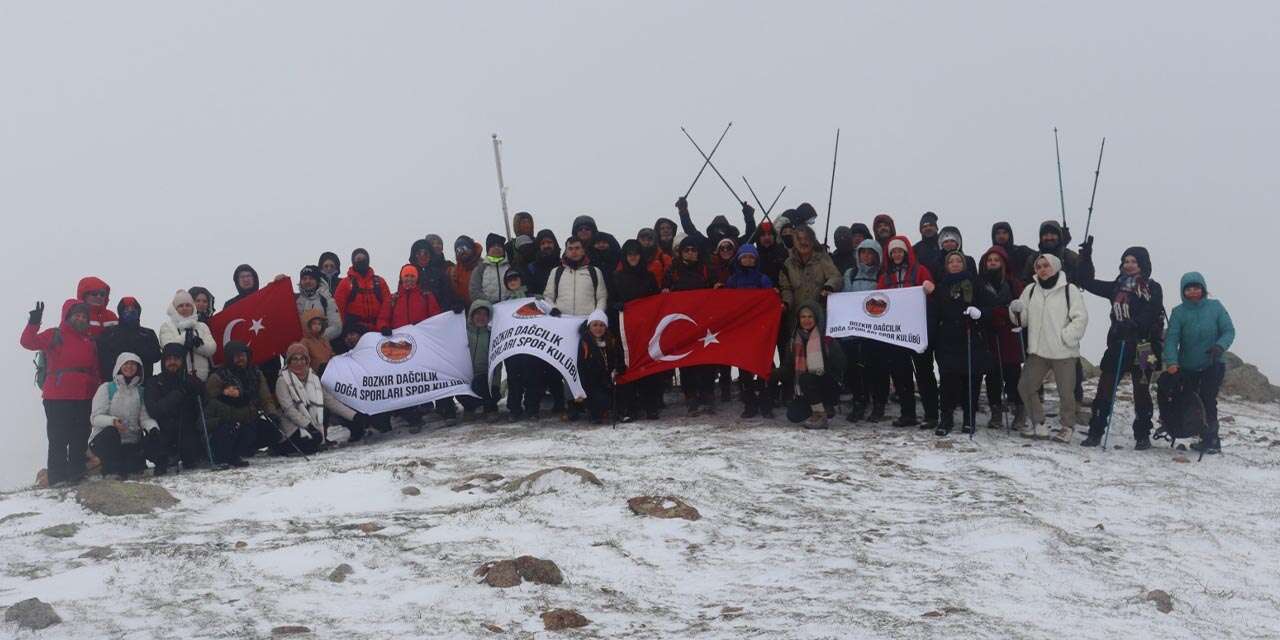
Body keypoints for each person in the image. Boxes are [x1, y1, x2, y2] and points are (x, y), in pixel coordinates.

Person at [1077, 246, 1165, 449]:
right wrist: (1086, 259)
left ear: (1143, 264)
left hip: (1145, 346)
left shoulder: (1153, 287)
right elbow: (1087, 282)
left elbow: (1153, 310)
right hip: (1118, 343)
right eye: (1126, 261)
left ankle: (1143, 435)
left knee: (1142, 391)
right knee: (1104, 389)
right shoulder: (1116, 287)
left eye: (1134, 261)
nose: (1129, 265)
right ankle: (1095, 432)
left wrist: (1135, 324)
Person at [1010, 254, 1089, 442]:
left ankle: (1067, 427)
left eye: (1046, 266)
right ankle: (1039, 424)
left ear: (1055, 267)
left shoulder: (1069, 290)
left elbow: (1081, 318)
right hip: (1038, 351)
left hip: (1063, 352)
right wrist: (1015, 311)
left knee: (1066, 392)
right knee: (1025, 386)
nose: (1042, 270)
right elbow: (1023, 319)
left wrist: (1066, 337)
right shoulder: (1030, 290)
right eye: (1038, 267)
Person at [22, 299, 99, 486]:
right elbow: (28, 342)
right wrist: (33, 323)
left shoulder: (89, 341)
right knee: (58, 438)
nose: (80, 319)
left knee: (80, 437)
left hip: (83, 395)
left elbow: (95, 370)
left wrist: (96, 390)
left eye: (83, 316)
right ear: (68, 316)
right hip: (57, 396)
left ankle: (76, 474)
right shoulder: (54, 335)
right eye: (77, 315)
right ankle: (57, 478)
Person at [1160, 272, 1234, 454]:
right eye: (1188, 289)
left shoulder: (1215, 307)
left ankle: (1212, 440)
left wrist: (1219, 346)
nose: (1193, 292)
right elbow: (1171, 339)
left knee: (1208, 398)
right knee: (1188, 399)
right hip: (1187, 366)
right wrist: (1171, 362)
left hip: (1213, 363)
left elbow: (1229, 331)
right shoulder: (1179, 312)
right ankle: (1192, 431)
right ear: (1183, 291)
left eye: (1196, 288)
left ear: (1203, 289)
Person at [877, 236, 938, 427]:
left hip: (918, 330)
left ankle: (931, 415)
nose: (896, 254)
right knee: (901, 374)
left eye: (899, 251)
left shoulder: (920, 271)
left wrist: (929, 288)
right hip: (896, 333)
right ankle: (908, 414)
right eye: (893, 252)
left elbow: (931, 289)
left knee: (924, 373)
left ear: (906, 252)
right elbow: (878, 299)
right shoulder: (885, 277)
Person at [931, 252, 994, 435]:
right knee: (947, 381)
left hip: (971, 338)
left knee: (971, 380)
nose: (955, 264)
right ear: (946, 266)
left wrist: (980, 313)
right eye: (951, 261)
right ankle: (946, 418)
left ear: (964, 264)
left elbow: (993, 307)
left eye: (959, 261)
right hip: (948, 339)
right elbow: (934, 312)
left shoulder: (976, 285)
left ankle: (969, 418)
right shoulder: (941, 287)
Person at [204, 341, 283, 467]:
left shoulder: (256, 373)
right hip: (228, 420)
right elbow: (211, 403)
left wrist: (272, 414)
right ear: (230, 358)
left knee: (273, 432)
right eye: (236, 356)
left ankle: (246, 448)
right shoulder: (218, 377)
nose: (240, 359)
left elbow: (266, 398)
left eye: (243, 355)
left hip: (251, 416)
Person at [665, 236, 718, 415]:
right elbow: (664, 290)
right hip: (683, 322)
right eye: (686, 250)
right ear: (680, 252)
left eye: (693, 250)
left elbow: (716, 288)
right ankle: (690, 395)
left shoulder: (706, 269)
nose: (690, 253)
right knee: (686, 359)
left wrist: (718, 288)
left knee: (707, 358)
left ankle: (707, 393)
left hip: (704, 322)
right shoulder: (673, 271)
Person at [611, 240, 663, 421]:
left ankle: (651, 405)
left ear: (641, 256)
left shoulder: (648, 277)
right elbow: (610, 300)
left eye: (636, 253)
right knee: (626, 366)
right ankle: (629, 407)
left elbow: (656, 301)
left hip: (645, 328)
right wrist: (616, 305)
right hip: (624, 330)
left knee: (647, 365)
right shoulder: (616, 277)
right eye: (629, 254)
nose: (633, 257)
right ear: (625, 256)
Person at [89, 352, 162, 479]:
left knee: (134, 467)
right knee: (111, 432)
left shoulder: (140, 391)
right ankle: (111, 471)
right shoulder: (106, 388)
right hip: (105, 441)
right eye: (126, 364)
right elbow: (95, 418)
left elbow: (144, 418)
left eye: (133, 364)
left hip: (130, 442)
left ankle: (128, 466)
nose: (130, 367)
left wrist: (153, 428)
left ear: (138, 368)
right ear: (119, 366)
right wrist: (113, 422)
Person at [976, 247, 1026, 430]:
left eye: (997, 260)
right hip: (990, 333)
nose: (993, 263)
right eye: (990, 260)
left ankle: (1020, 411)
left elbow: (1021, 306)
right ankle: (996, 411)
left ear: (1003, 262)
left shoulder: (1013, 283)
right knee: (992, 375)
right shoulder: (980, 283)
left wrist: (1004, 313)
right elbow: (977, 305)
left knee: (1013, 374)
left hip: (1009, 334)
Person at [725, 244, 777, 419]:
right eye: (744, 257)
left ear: (756, 259)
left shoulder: (763, 279)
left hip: (760, 328)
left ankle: (765, 401)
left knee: (764, 365)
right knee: (744, 367)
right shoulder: (732, 280)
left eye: (751, 257)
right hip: (742, 330)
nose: (748, 260)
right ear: (739, 259)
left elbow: (770, 300)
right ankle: (749, 403)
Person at [840, 239, 888, 422]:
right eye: (863, 252)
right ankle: (859, 401)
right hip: (853, 330)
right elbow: (844, 298)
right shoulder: (850, 274)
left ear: (877, 255)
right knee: (854, 369)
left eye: (870, 253)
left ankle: (879, 404)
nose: (866, 256)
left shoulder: (882, 275)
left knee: (877, 368)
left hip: (877, 330)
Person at [779, 303, 846, 429]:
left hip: (828, 383)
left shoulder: (827, 339)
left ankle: (821, 413)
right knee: (793, 416)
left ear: (816, 319)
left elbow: (841, 364)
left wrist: (827, 375)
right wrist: (772, 374)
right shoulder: (793, 341)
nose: (806, 320)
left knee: (807, 378)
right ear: (798, 320)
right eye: (803, 317)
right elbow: (788, 367)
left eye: (810, 317)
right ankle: (819, 407)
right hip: (806, 389)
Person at [144, 343, 208, 472]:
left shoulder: (192, 381)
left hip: (188, 431)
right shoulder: (154, 382)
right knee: (151, 444)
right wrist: (176, 395)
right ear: (163, 362)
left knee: (191, 459)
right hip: (164, 431)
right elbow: (154, 410)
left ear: (182, 361)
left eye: (176, 359)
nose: (172, 362)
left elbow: (205, 405)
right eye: (168, 359)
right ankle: (166, 457)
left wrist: (198, 389)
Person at [498, 270, 546, 421]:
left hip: (531, 346)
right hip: (512, 348)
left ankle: (532, 408)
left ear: (521, 280)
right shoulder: (503, 303)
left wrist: (541, 302)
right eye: (509, 280)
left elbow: (545, 315)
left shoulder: (532, 298)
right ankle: (514, 409)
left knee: (533, 377)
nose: (512, 282)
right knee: (514, 379)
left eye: (515, 278)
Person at [778, 225, 841, 332]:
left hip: (819, 318)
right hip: (796, 320)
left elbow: (836, 277)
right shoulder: (788, 264)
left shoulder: (822, 258)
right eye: (799, 239)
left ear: (812, 240)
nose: (803, 242)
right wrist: (786, 304)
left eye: (806, 239)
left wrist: (829, 287)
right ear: (794, 242)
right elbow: (786, 289)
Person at [274, 343, 334, 455]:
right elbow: (289, 409)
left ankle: (319, 436)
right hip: (292, 424)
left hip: (311, 419)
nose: (299, 362)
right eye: (295, 359)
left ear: (307, 360)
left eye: (302, 359)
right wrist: (308, 425)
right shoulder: (282, 381)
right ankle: (281, 447)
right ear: (289, 361)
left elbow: (328, 400)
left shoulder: (313, 377)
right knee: (310, 445)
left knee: (324, 410)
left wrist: (353, 415)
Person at [96, 296, 161, 383]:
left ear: (138, 312)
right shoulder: (109, 333)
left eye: (133, 309)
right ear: (121, 312)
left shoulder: (148, 334)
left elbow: (156, 356)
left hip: (142, 385)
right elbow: (103, 359)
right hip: (115, 385)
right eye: (126, 309)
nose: (130, 311)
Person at [575, 310, 625, 424]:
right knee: (599, 398)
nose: (598, 328)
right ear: (589, 326)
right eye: (595, 325)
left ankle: (621, 411)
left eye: (602, 325)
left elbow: (618, 359)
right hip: (592, 381)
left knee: (621, 391)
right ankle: (595, 413)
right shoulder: (585, 342)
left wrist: (617, 369)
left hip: (609, 379)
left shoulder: (611, 341)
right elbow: (581, 365)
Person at [157, 289, 216, 381]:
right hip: (177, 377)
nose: (184, 308)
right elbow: (167, 347)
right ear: (175, 309)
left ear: (193, 307)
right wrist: (186, 338)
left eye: (188, 305)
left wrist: (198, 345)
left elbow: (212, 348)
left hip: (202, 378)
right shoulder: (167, 326)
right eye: (180, 306)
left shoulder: (202, 326)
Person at [545, 237, 608, 316]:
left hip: (587, 321)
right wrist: (553, 308)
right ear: (566, 252)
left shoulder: (595, 271)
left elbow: (602, 297)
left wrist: (597, 314)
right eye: (570, 249)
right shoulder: (556, 271)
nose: (574, 252)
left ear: (583, 251)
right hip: (561, 320)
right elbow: (548, 296)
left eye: (577, 248)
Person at [460, 300, 501, 420]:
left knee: (483, 383)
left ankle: (490, 408)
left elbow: (497, 364)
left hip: (485, 377)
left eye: (484, 314)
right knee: (457, 387)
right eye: (478, 313)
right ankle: (469, 407)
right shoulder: (462, 333)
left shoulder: (492, 335)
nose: (481, 317)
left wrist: (495, 385)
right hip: (465, 376)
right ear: (471, 315)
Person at [675, 196, 756, 257]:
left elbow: (751, 235)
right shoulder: (706, 244)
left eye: (722, 228)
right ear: (711, 231)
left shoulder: (737, 243)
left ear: (728, 230)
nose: (719, 231)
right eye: (716, 228)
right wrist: (683, 212)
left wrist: (749, 217)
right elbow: (690, 230)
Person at [334, 248, 391, 330]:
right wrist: (342, 330)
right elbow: (339, 308)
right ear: (353, 262)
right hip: (354, 329)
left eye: (363, 259)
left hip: (378, 329)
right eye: (358, 259)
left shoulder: (379, 282)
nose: (361, 261)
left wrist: (382, 325)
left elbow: (387, 305)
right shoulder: (345, 283)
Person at [378, 265, 443, 334]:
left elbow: (436, 317)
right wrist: (384, 327)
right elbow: (383, 318)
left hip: (422, 337)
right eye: (406, 276)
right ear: (402, 278)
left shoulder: (427, 296)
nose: (409, 279)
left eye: (412, 276)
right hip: (400, 340)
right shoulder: (392, 299)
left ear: (417, 278)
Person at [296, 265, 342, 341]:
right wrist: (280, 280)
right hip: (302, 346)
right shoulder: (297, 301)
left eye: (311, 278)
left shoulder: (326, 299)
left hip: (322, 346)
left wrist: (317, 339)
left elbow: (336, 327)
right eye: (304, 279)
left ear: (317, 281)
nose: (307, 281)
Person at [470, 233, 513, 304]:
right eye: (493, 246)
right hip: (489, 310)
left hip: (509, 309)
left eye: (499, 246)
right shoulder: (480, 269)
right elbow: (474, 292)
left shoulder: (510, 266)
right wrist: (490, 302)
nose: (496, 248)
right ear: (488, 249)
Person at [754, 220, 789, 288]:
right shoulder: (753, 255)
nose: (767, 237)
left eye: (769, 234)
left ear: (774, 236)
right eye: (763, 235)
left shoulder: (783, 252)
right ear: (758, 238)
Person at [450, 235, 483, 307]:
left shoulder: (484, 266)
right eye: (458, 251)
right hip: (467, 310)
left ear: (472, 248)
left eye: (464, 248)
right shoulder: (455, 272)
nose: (462, 252)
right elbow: (454, 292)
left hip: (485, 306)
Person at [299, 308, 335, 374]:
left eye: (319, 324)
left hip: (328, 372)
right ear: (308, 325)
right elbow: (302, 361)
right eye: (314, 324)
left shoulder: (324, 339)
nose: (317, 326)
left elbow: (330, 354)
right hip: (314, 375)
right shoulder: (305, 342)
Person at [528, 229, 562, 295]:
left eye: (549, 242)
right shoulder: (532, 268)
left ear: (555, 244)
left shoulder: (563, 264)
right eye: (542, 243)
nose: (546, 246)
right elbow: (529, 292)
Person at [913, 211, 941, 277]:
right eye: (924, 226)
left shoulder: (945, 244)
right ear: (921, 230)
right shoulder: (915, 249)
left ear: (936, 228)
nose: (928, 228)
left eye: (931, 225)